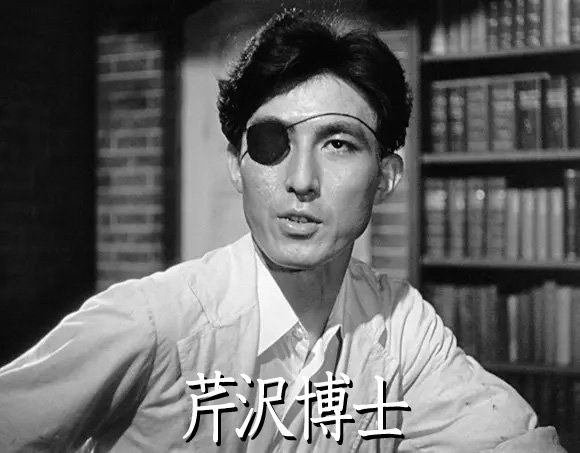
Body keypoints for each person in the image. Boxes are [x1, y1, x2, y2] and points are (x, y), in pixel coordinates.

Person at [0, 8, 566, 453]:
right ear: (237, 167)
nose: (300, 180)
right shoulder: (152, 324)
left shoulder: (400, 327)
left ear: (386, 176)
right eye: (273, 144)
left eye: (338, 143)